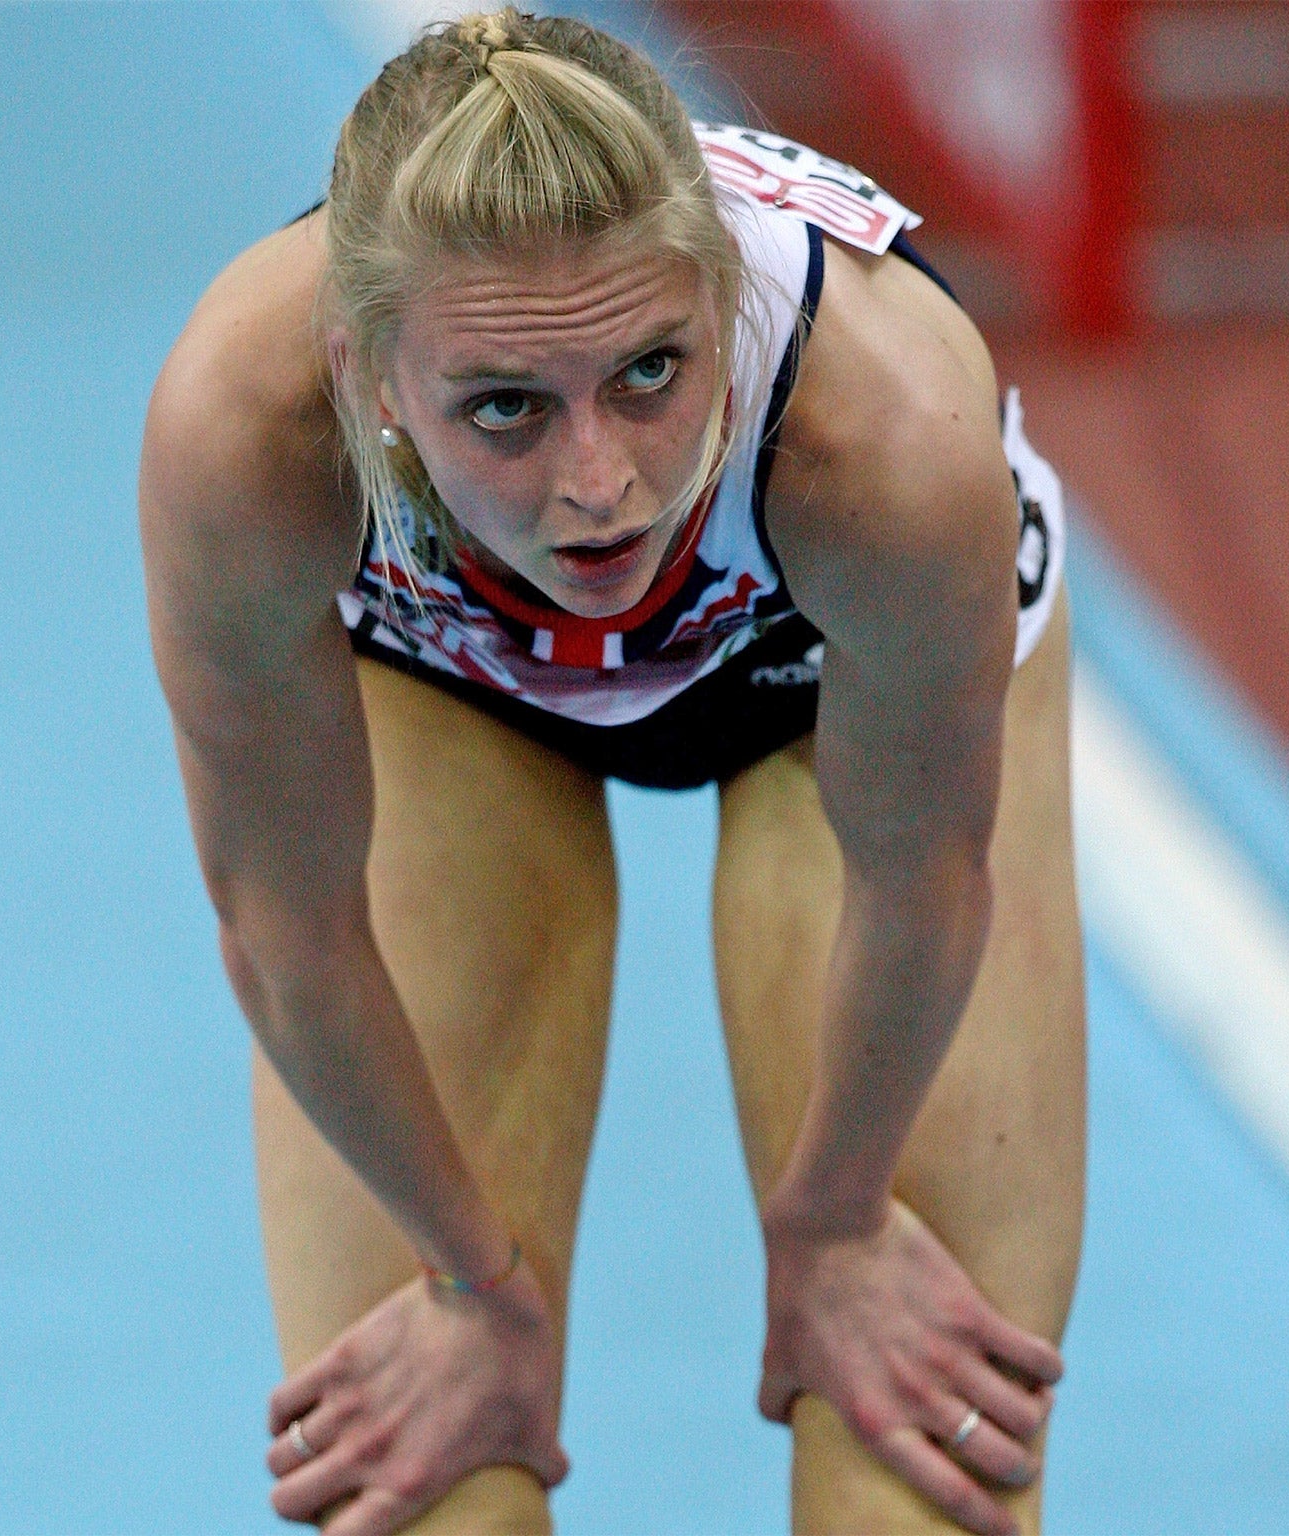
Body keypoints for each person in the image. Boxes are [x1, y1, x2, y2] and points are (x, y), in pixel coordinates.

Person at [138, 10, 1085, 1534]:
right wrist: (472, 1279)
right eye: (505, 406)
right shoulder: (247, 436)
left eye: (652, 372)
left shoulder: (892, 435)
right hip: (453, 683)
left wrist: (836, 1223)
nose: (601, 486)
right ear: (367, 376)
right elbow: (288, 931)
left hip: (816, 678)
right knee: (424, 1479)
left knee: (920, 1465)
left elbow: (922, 878)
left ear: (721, 303)